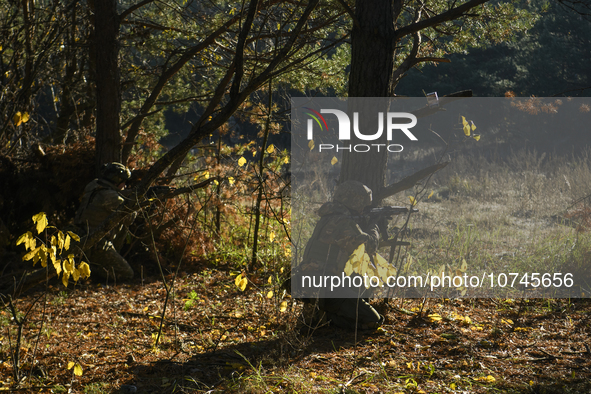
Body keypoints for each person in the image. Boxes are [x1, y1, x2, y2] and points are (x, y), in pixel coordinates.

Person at [295, 180, 384, 330]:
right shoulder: (344, 223)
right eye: (361, 205)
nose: (363, 209)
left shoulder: (328, 218)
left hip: (310, 282)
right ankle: (324, 320)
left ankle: (317, 314)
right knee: (373, 321)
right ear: (352, 202)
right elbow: (369, 246)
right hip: (326, 287)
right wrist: (374, 226)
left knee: (359, 282)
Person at [74, 162, 136, 281]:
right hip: (96, 243)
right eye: (124, 182)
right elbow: (130, 218)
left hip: (80, 236)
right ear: (116, 180)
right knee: (127, 273)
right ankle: (89, 273)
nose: (125, 185)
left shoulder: (93, 186)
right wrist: (135, 202)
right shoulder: (110, 196)